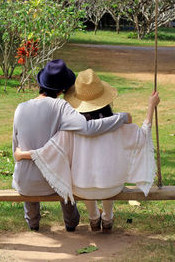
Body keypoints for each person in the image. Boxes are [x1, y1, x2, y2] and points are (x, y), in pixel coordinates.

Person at [14, 69, 160, 233]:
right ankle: (107, 218)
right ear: (105, 100)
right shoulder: (118, 125)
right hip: (112, 186)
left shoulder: (70, 130)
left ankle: (93, 218)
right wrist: (150, 106)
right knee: (107, 175)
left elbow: (48, 152)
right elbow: (143, 136)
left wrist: (22, 155)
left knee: (84, 176)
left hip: (81, 188)